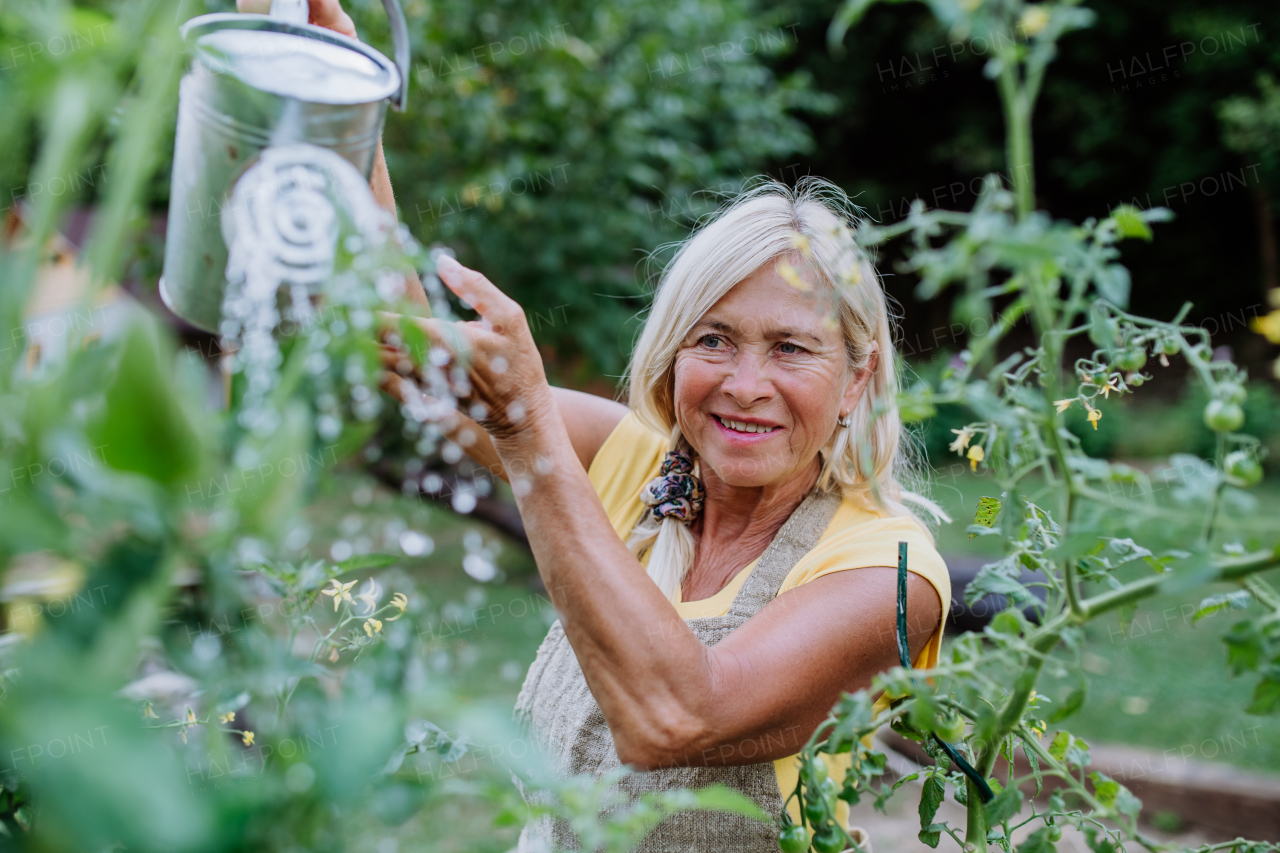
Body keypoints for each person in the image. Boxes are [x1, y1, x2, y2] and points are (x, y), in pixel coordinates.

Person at [273, 4, 950, 850]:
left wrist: (527, 438)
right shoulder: (637, 466)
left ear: (858, 382)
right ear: (671, 354)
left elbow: (678, 714)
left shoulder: (888, 572)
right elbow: (421, 362)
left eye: (791, 349)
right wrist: (342, 96)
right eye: (713, 339)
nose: (746, 385)